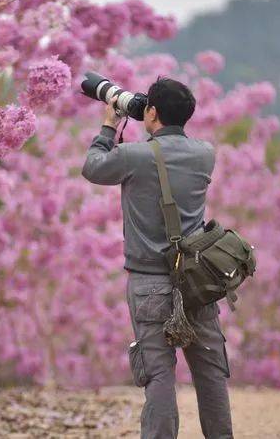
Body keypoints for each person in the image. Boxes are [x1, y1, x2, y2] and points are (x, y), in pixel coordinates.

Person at [82, 77, 232, 439]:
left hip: (149, 283)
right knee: (210, 372)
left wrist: (109, 124)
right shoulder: (205, 153)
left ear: (150, 111)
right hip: (197, 281)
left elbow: (93, 167)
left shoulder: (134, 155)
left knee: (160, 374)